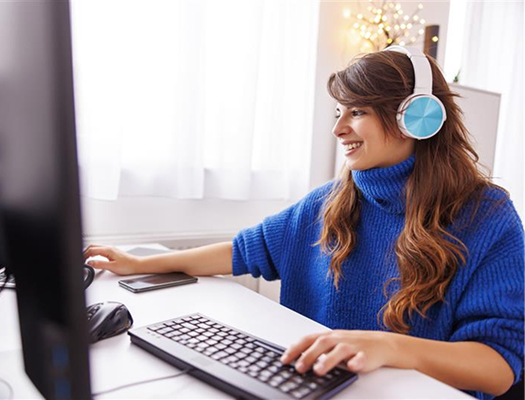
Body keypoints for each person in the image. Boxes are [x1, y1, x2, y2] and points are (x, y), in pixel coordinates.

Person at [83, 47, 524, 399]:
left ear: (417, 117)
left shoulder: (487, 216)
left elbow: (499, 369)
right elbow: (243, 250)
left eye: (357, 112)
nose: (339, 130)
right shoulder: (328, 202)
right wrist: (137, 261)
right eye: (339, 113)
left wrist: (387, 347)